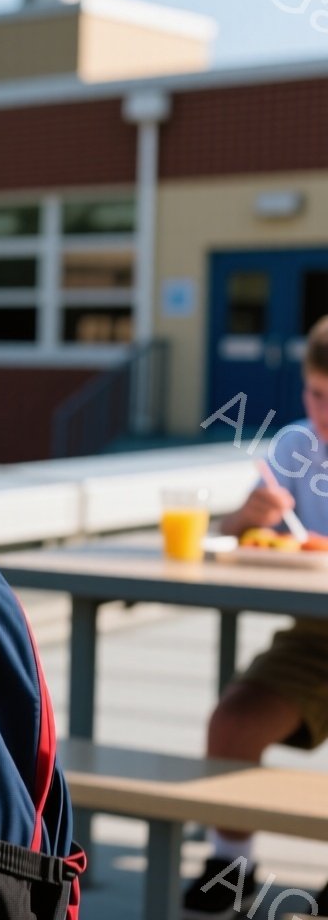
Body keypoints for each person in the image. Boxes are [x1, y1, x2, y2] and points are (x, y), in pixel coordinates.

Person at [183, 315, 328, 916]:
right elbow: (229, 538)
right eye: (318, 395)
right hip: (314, 634)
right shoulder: (294, 446)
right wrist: (248, 516)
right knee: (234, 724)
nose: (325, 413)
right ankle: (231, 863)